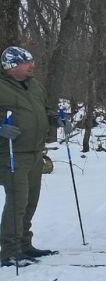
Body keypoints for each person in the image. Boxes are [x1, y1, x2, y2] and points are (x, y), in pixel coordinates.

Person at [0, 46, 57, 268]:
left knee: (31, 200)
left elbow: (44, 108)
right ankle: (9, 251)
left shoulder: (35, 86)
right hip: (11, 154)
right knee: (17, 201)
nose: (32, 65)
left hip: (35, 152)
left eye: (31, 61)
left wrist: (55, 119)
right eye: (26, 62)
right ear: (11, 66)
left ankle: (24, 244)